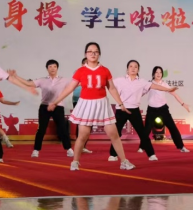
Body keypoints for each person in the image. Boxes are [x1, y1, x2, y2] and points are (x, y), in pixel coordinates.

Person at [47, 42, 134, 171]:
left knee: (114, 134)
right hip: (86, 104)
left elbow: (112, 88)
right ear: (85, 54)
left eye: (95, 51)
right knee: (83, 135)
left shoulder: (105, 70)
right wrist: (55, 102)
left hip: (102, 104)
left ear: (99, 54)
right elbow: (70, 88)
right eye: (90, 51)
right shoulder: (80, 71)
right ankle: (75, 162)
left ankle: (124, 161)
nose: (93, 54)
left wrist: (121, 104)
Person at [109, 60, 178, 162]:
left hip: (134, 110)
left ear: (138, 69)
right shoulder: (119, 80)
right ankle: (113, 155)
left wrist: (168, 89)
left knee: (143, 133)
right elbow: (108, 85)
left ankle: (151, 154)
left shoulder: (142, 82)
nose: (133, 68)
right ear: (127, 69)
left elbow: (155, 86)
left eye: (135, 67)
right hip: (121, 109)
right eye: (131, 66)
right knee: (117, 133)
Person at [9, 60, 75, 158]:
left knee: (62, 128)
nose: (52, 68)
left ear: (57, 68)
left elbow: (75, 84)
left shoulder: (64, 80)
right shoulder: (42, 80)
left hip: (58, 106)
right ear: (47, 69)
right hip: (45, 107)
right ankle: (36, 150)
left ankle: (69, 149)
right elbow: (28, 83)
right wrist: (16, 76)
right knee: (41, 129)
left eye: (54, 66)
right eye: (50, 67)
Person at [144, 66, 191, 153]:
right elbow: (141, 93)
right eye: (156, 72)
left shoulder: (164, 84)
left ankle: (181, 146)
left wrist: (183, 104)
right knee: (146, 129)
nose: (158, 74)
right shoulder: (149, 84)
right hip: (152, 109)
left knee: (173, 128)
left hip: (163, 109)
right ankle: (142, 147)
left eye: (160, 72)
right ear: (153, 74)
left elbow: (175, 94)